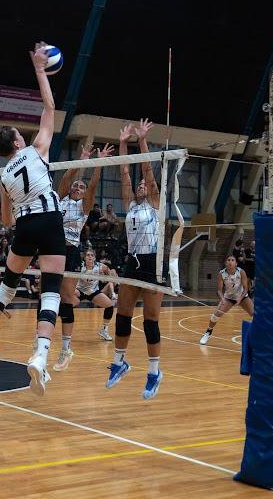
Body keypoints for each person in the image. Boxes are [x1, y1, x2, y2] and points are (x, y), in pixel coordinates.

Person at [0, 42, 65, 397]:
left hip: (23, 226)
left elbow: (5, 220)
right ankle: (40, 354)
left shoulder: (3, 176)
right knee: (51, 289)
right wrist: (39, 70)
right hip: (49, 219)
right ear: (18, 140)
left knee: (8, 285)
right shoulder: (36, 150)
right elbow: (50, 107)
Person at [107, 119, 165, 400]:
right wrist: (122, 143)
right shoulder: (130, 203)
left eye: (145, 184)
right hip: (133, 262)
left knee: (150, 321)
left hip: (152, 261)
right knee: (123, 315)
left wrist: (142, 140)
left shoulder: (155, 202)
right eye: (140, 185)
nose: (141, 185)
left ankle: (154, 372)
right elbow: (125, 173)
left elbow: (145, 170)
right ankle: (119, 363)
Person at [52, 142, 112, 372]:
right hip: (53, 248)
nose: (78, 186)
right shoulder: (61, 199)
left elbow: (94, 184)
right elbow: (67, 178)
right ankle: (43, 339)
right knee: (49, 295)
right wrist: (81, 160)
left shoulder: (84, 206)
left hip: (70, 251)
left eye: (81, 186)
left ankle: (66, 347)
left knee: (67, 298)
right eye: (76, 185)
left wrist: (97, 163)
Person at [199, 254, 254, 345]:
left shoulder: (241, 272)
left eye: (232, 260)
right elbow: (219, 290)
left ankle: (257, 334)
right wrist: (222, 299)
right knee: (216, 315)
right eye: (228, 260)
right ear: (225, 263)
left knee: (254, 314)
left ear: (236, 263)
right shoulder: (221, 273)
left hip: (242, 297)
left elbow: (245, 288)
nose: (230, 262)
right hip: (229, 298)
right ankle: (207, 333)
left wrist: (240, 299)